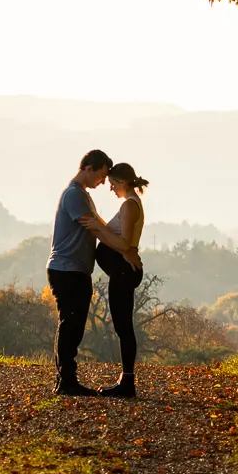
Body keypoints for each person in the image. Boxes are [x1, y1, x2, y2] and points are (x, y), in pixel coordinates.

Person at [79, 160, 147, 399]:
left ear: (122, 182)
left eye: (112, 184)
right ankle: (126, 380)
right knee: (122, 326)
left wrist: (99, 228)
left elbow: (123, 243)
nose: (110, 188)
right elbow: (120, 239)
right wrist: (98, 223)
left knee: (123, 327)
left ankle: (127, 383)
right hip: (121, 270)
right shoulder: (129, 204)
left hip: (123, 272)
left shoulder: (129, 205)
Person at [46, 147, 112, 394]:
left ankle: (66, 379)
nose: (103, 181)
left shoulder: (81, 194)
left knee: (72, 323)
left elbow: (98, 223)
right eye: (101, 175)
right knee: (71, 323)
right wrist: (122, 246)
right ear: (88, 168)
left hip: (73, 269)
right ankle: (67, 381)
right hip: (67, 270)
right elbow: (94, 227)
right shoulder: (74, 195)